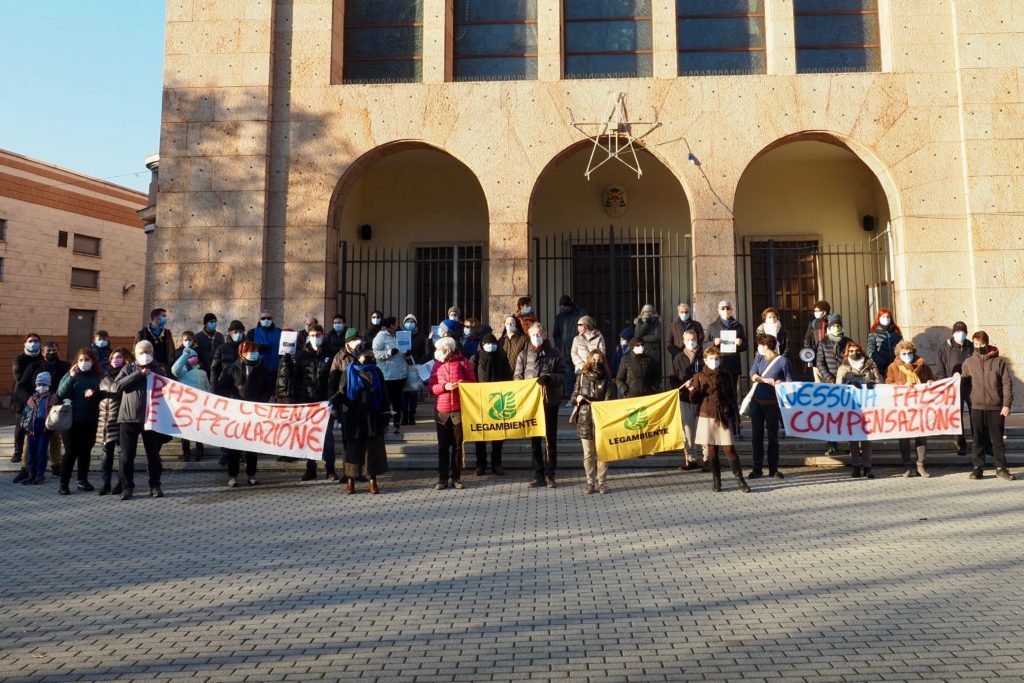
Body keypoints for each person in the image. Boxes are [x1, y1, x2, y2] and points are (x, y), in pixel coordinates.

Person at [683, 347, 749, 493]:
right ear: (705, 360)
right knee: (712, 449)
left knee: (729, 448)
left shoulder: (726, 375)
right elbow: (694, 400)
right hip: (707, 414)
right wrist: (692, 390)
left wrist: (736, 416)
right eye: (711, 359)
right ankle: (716, 481)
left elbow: (732, 395)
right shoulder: (699, 376)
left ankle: (740, 480)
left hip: (723, 415)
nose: (714, 361)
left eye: (716, 359)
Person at [111, 340, 168, 500]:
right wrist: (138, 374)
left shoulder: (160, 371)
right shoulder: (128, 369)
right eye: (141, 352)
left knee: (153, 455)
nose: (144, 355)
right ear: (135, 354)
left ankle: (155, 485)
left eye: (147, 352)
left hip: (152, 419)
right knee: (127, 456)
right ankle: (127, 487)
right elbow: (116, 387)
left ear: (153, 353)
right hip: (129, 418)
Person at [281, 324, 338, 482]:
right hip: (307, 403)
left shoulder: (331, 352)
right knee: (309, 436)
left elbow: (334, 380)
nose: (315, 338)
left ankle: (330, 469)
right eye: (312, 335)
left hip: (325, 403)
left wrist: (333, 401)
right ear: (308, 336)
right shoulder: (302, 355)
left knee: (327, 438)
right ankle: (310, 469)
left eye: (318, 334)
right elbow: (296, 380)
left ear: (323, 335)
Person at [514, 322, 566, 488]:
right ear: (529, 336)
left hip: (549, 401)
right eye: (533, 335)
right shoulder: (523, 355)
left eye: (539, 334)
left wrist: (550, 378)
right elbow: (517, 377)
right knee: (535, 439)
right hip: (531, 404)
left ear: (544, 335)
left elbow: (563, 374)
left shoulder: (555, 354)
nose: (536, 337)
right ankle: (538, 474)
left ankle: (550, 473)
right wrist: (524, 389)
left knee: (550, 439)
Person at [215, 341, 274, 487]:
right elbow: (221, 388)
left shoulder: (262, 369)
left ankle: (251, 475)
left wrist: (261, 401)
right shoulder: (231, 369)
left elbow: (268, 388)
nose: (254, 354)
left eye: (255, 351)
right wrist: (235, 400)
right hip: (236, 413)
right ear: (242, 353)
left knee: (252, 447)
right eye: (250, 351)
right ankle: (233, 475)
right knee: (234, 447)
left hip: (254, 412)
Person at [335, 342, 390, 494]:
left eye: (371, 353)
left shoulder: (377, 371)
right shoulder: (349, 371)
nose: (369, 356)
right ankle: (350, 481)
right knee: (353, 449)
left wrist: (386, 414)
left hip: (373, 415)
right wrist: (333, 403)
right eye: (366, 353)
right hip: (353, 416)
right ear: (358, 356)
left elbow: (384, 394)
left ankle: (372, 480)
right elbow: (342, 391)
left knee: (372, 450)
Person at [961, 331, 1015, 481]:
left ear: (987, 343)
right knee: (977, 439)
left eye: (981, 344)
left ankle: (1001, 468)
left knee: (997, 440)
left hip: (996, 407)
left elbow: (1007, 384)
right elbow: (964, 384)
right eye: (976, 344)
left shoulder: (999, 362)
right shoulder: (968, 362)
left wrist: (1006, 404)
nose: (978, 347)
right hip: (976, 407)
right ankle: (977, 468)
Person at [429, 337, 476, 490]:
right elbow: (431, 388)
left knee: (457, 446)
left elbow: (474, 384)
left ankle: (456, 477)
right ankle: (442, 478)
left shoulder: (464, 362)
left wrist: (463, 384)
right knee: (442, 446)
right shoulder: (436, 365)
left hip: (458, 410)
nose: (438, 352)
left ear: (448, 350)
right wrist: (444, 386)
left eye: (440, 349)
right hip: (441, 411)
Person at [54, 348, 102, 495]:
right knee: (70, 452)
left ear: (93, 361)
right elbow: (61, 394)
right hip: (71, 420)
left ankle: (82, 480)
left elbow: (103, 393)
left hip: (90, 419)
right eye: (81, 360)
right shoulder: (71, 375)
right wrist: (71, 377)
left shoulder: (97, 377)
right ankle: (64, 483)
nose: (84, 363)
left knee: (85, 451)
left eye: (87, 360)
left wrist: (95, 393)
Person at [748, 334, 794, 480]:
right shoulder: (758, 358)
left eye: (759, 345)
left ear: (766, 346)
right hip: (757, 402)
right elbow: (752, 375)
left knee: (773, 437)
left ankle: (773, 469)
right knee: (757, 437)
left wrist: (781, 384)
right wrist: (764, 380)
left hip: (773, 404)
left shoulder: (783, 361)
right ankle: (757, 468)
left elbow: (790, 381)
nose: (758, 348)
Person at [885, 340, 934, 478]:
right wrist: (902, 384)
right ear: (899, 354)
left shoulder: (923, 366)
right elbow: (888, 384)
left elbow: (931, 379)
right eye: (904, 353)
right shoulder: (893, 367)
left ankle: (920, 465)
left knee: (921, 436)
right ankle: (907, 466)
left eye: (909, 353)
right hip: (903, 407)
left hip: (920, 406)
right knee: (904, 437)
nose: (907, 355)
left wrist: (930, 382)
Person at [835, 342, 881, 479]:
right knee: (853, 438)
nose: (855, 353)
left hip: (868, 406)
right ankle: (855, 465)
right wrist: (849, 384)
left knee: (867, 438)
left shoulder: (871, 366)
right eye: (851, 351)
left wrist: (873, 384)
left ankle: (867, 466)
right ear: (847, 353)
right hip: (851, 407)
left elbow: (880, 381)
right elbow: (838, 387)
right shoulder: (843, 368)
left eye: (857, 350)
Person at [572, 349, 615, 494]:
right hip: (584, 419)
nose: (596, 362)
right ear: (589, 360)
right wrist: (576, 398)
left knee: (602, 453)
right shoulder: (582, 377)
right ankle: (590, 482)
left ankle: (602, 482)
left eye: (599, 359)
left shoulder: (607, 380)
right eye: (594, 359)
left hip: (601, 420)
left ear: (603, 361)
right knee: (588, 454)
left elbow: (610, 401)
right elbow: (573, 395)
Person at [26, 341, 71, 478]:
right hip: (35, 404)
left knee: (55, 436)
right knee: (30, 440)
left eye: (54, 350)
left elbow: (68, 384)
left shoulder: (65, 366)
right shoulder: (34, 366)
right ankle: (26, 468)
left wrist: (57, 396)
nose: (51, 352)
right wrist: (28, 398)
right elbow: (23, 384)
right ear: (43, 351)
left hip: (56, 405)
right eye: (48, 350)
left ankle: (56, 465)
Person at [472, 332, 511, 476]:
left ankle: (497, 464)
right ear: (482, 345)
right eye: (487, 344)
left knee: (498, 434)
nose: (490, 346)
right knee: (480, 434)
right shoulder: (475, 358)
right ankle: (481, 465)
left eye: (493, 343)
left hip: (498, 401)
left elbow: (508, 376)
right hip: (480, 402)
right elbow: (471, 378)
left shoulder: (501, 357)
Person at [706, 300, 746, 435]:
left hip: (733, 365)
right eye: (722, 308)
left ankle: (735, 424)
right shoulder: (712, 326)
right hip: (718, 365)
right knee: (717, 393)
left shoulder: (738, 326)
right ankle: (718, 421)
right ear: (718, 310)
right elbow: (704, 345)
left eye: (728, 308)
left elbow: (745, 346)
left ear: (731, 310)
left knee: (732, 394)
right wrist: (713, 342)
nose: (725, 310)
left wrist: (740, 343)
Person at [814, 313, 851, 456]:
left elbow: (852, 359)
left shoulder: (848, 341)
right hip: (830, 384)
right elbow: (820, 363)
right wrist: (829, 378)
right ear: (829, 327)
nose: (836, 328)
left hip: (846, 382)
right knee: (830, 416)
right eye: (834, 325)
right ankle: (832, 445)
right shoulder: (823, 342)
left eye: (838, 325)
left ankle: (851, 443)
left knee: (847, 415)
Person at [96, 347, 130, 495]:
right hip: (105, 421)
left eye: (120, 357)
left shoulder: (128, 375)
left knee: (122, 453)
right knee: (106, 453)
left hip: (121, 419)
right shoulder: (103, 377)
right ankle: (106, 483)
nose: (117, 360)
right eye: (114, 357)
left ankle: (120, 483)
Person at [935, 321, 973, 455]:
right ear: (953, 333)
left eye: (963, 332)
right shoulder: (943, 348)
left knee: (976, 415)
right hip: (953, 387)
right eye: (957, 332)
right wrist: (945, 385)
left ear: (966, 333)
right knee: (957, 416)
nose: (960, 334)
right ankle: (961, 444)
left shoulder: (971, 347)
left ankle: (979, 442)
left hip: (971, 386)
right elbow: (940, 371)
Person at [171, 336, 211, 462]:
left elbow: (207, 389)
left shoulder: (202, 373)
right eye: (190, 357)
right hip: (185, 405)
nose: (192, 358)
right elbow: (174, 369)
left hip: (199, 406)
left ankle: (199, 451)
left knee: (199, 429)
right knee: (185, 430)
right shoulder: (181, 372)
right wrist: (185, 354)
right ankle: (186, 452)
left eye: (194, 356)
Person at [671, 328, 704, 471]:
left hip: (702, 398)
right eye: (689, 339)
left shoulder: (704, 355)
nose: (692, 342)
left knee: (703, 429)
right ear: (683, 341)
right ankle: (691, 459)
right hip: (685, 398)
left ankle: (708, 458)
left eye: (694, 339)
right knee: (688, 430)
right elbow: (674, 378)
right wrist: (684, 387)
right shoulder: (678, 358)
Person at [11, 333, 42, 469]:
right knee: (20, 426)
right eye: (30, 341)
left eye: (36, 341)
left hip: (38, 396)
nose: (33, 343)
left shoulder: (42, 358)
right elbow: (19, 377)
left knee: (37, 426)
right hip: (22, 396)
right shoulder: (20, 358)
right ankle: (17, 452)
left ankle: (34, 452)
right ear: (25, 343)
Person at [372, 316, 406, 435]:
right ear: (391, 325)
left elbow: (403, 351)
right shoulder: (381, 336)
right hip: (387, 375)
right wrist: (389, 353)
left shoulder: (400, 335)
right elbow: (375, 352)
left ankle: (397, 424)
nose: (398, 325)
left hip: (400, 374)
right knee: (387, 401)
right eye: (396, 323)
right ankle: (385, 424)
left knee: (397, 401)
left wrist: (407, 353)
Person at [19, 371, 53, 486]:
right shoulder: (32, 398)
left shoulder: (52, 398)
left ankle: (40, 475)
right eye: (39, 385)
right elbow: (26, 413)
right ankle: (31, 474)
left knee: (41, 451)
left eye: (44, 385)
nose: (41, 387)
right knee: (31, 452)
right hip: (32, 427)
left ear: (48, 385)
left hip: (44, 427)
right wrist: (24, 425)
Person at [400, 314, 430, 425]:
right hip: (402, 367)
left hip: (415, 366)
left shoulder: (421, 336)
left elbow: (425, 352)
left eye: (412, 321)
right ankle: (404, 416)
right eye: (407, 321)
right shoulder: (401, 335)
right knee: (403, 393)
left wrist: (419, 362)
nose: (410, 323)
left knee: (412, 393)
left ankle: (412, 415)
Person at [553, 295, 585, 395]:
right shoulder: (559, 317)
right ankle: (569, 397)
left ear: (569, 305)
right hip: (565, 351)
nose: (562, 309)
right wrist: (561, 347)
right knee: (568, 376)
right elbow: (556, 334)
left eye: (564, 307)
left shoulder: (580, 314)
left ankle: (582, 395)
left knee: (581, 374)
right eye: (561, 307)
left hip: (579, 351)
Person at [867, 307, 902, 379]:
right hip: (880, 368)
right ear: (879, 318)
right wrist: (881, 361)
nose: (886, 318)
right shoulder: (874, 333)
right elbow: (871, 350)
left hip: (895, 367)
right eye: (883, 317)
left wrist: (898, 361)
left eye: (888, 317)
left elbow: (902, 348)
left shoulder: (896, 332)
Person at [803, 300, 832, 381]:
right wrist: (808, 349)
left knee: (831, 379)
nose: (815, 312)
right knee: (818, 381)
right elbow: (807, 338)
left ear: (824, 311)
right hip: (817, 355)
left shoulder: (832, 321)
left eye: (817, 311)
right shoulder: (813, 323)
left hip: (830, 357)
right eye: (814, 311)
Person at [212, 320, 246, 387]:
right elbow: (215, 369)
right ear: (230, 333)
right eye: (235, 332)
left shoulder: (247, 348)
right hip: (226, 385)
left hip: (242, 387)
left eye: (240, 332)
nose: (238, 334)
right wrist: (213, 387)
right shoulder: (222, 348)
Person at [247, 309, 282, 373]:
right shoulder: (252, 332)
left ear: (272, 319)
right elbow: (247, 350)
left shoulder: (279, 332)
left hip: (275, 370)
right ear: (260, 320)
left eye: (269, 318)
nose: (266, 320)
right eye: (263, 318)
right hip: (257, 369)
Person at [634, 304, 663, 380]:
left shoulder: (656, 322)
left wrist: (642, 339)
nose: (648, 313)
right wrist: (646, 324)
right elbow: (637, 336)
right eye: (646, 311)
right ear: (643, 312)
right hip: (643, 351)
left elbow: (657, 337)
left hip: (654, 352)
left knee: (654, 375)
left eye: (650, 311)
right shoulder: (639, 321)